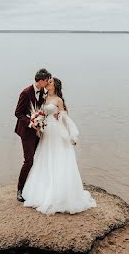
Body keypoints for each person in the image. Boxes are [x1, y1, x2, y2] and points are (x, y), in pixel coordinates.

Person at [20, 76, 97, 215]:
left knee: (58, 157)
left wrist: (70, 135)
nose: (48, 84)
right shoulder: (43, 98)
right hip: (45, 131)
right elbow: (39, 112)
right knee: (43, 158)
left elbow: (65, 118)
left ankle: (59, 193)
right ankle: (41, 189)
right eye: (48, 82)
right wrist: (36, 121)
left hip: (55, 131)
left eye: (50, 83)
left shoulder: (58, 100)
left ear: (55, 86)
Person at [15, 68, 51, 202]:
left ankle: (32, 187)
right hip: (27, 131)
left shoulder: (44, 92)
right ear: (41, 81)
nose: (48, 82)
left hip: (39, 130)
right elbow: (18, 113)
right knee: (28, 160)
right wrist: (31, 122)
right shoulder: (25, 92)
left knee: (38, 158)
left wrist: (40, 122)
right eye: (46, 80)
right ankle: (19, 189)